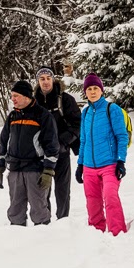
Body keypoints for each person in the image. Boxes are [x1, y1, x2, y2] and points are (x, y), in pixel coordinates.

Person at [0, 80, 59, 226]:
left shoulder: (42, 115)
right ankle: (17, 243)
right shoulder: (12, 117)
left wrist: (48, 171)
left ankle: (44, 241)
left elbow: (52, 146)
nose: (13, 99)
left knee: (39, 210)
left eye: (16, 95)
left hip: (35, 170)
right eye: (12, 96)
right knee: (15, 210)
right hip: (15, 170)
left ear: (26, 96)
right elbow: (4, 143)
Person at [76, 74, 129, 236]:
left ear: (101, 90)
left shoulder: (112, 109)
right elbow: (83, 140)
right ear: (85, 92)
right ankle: (96, 232)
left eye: (95, 88)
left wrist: (121, 161)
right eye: (89, 89)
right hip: (89, 166)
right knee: (92, 201)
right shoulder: (85, 113)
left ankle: (117, 232)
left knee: (110, 196)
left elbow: (122, 136)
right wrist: (80, 164)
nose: (92, 92)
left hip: (110, 164)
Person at [33, 66, 82, 219]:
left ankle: (63, 220)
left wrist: (62, 142)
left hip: (61, 151)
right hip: (41, 154)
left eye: (48, 78)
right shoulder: (33, 101)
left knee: (62, 190)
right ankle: (44, 222)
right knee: (42, 190)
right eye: (42, 79)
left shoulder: (65, 99)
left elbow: (77, 124)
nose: (46, 82)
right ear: (37, 81)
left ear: (53, 79)